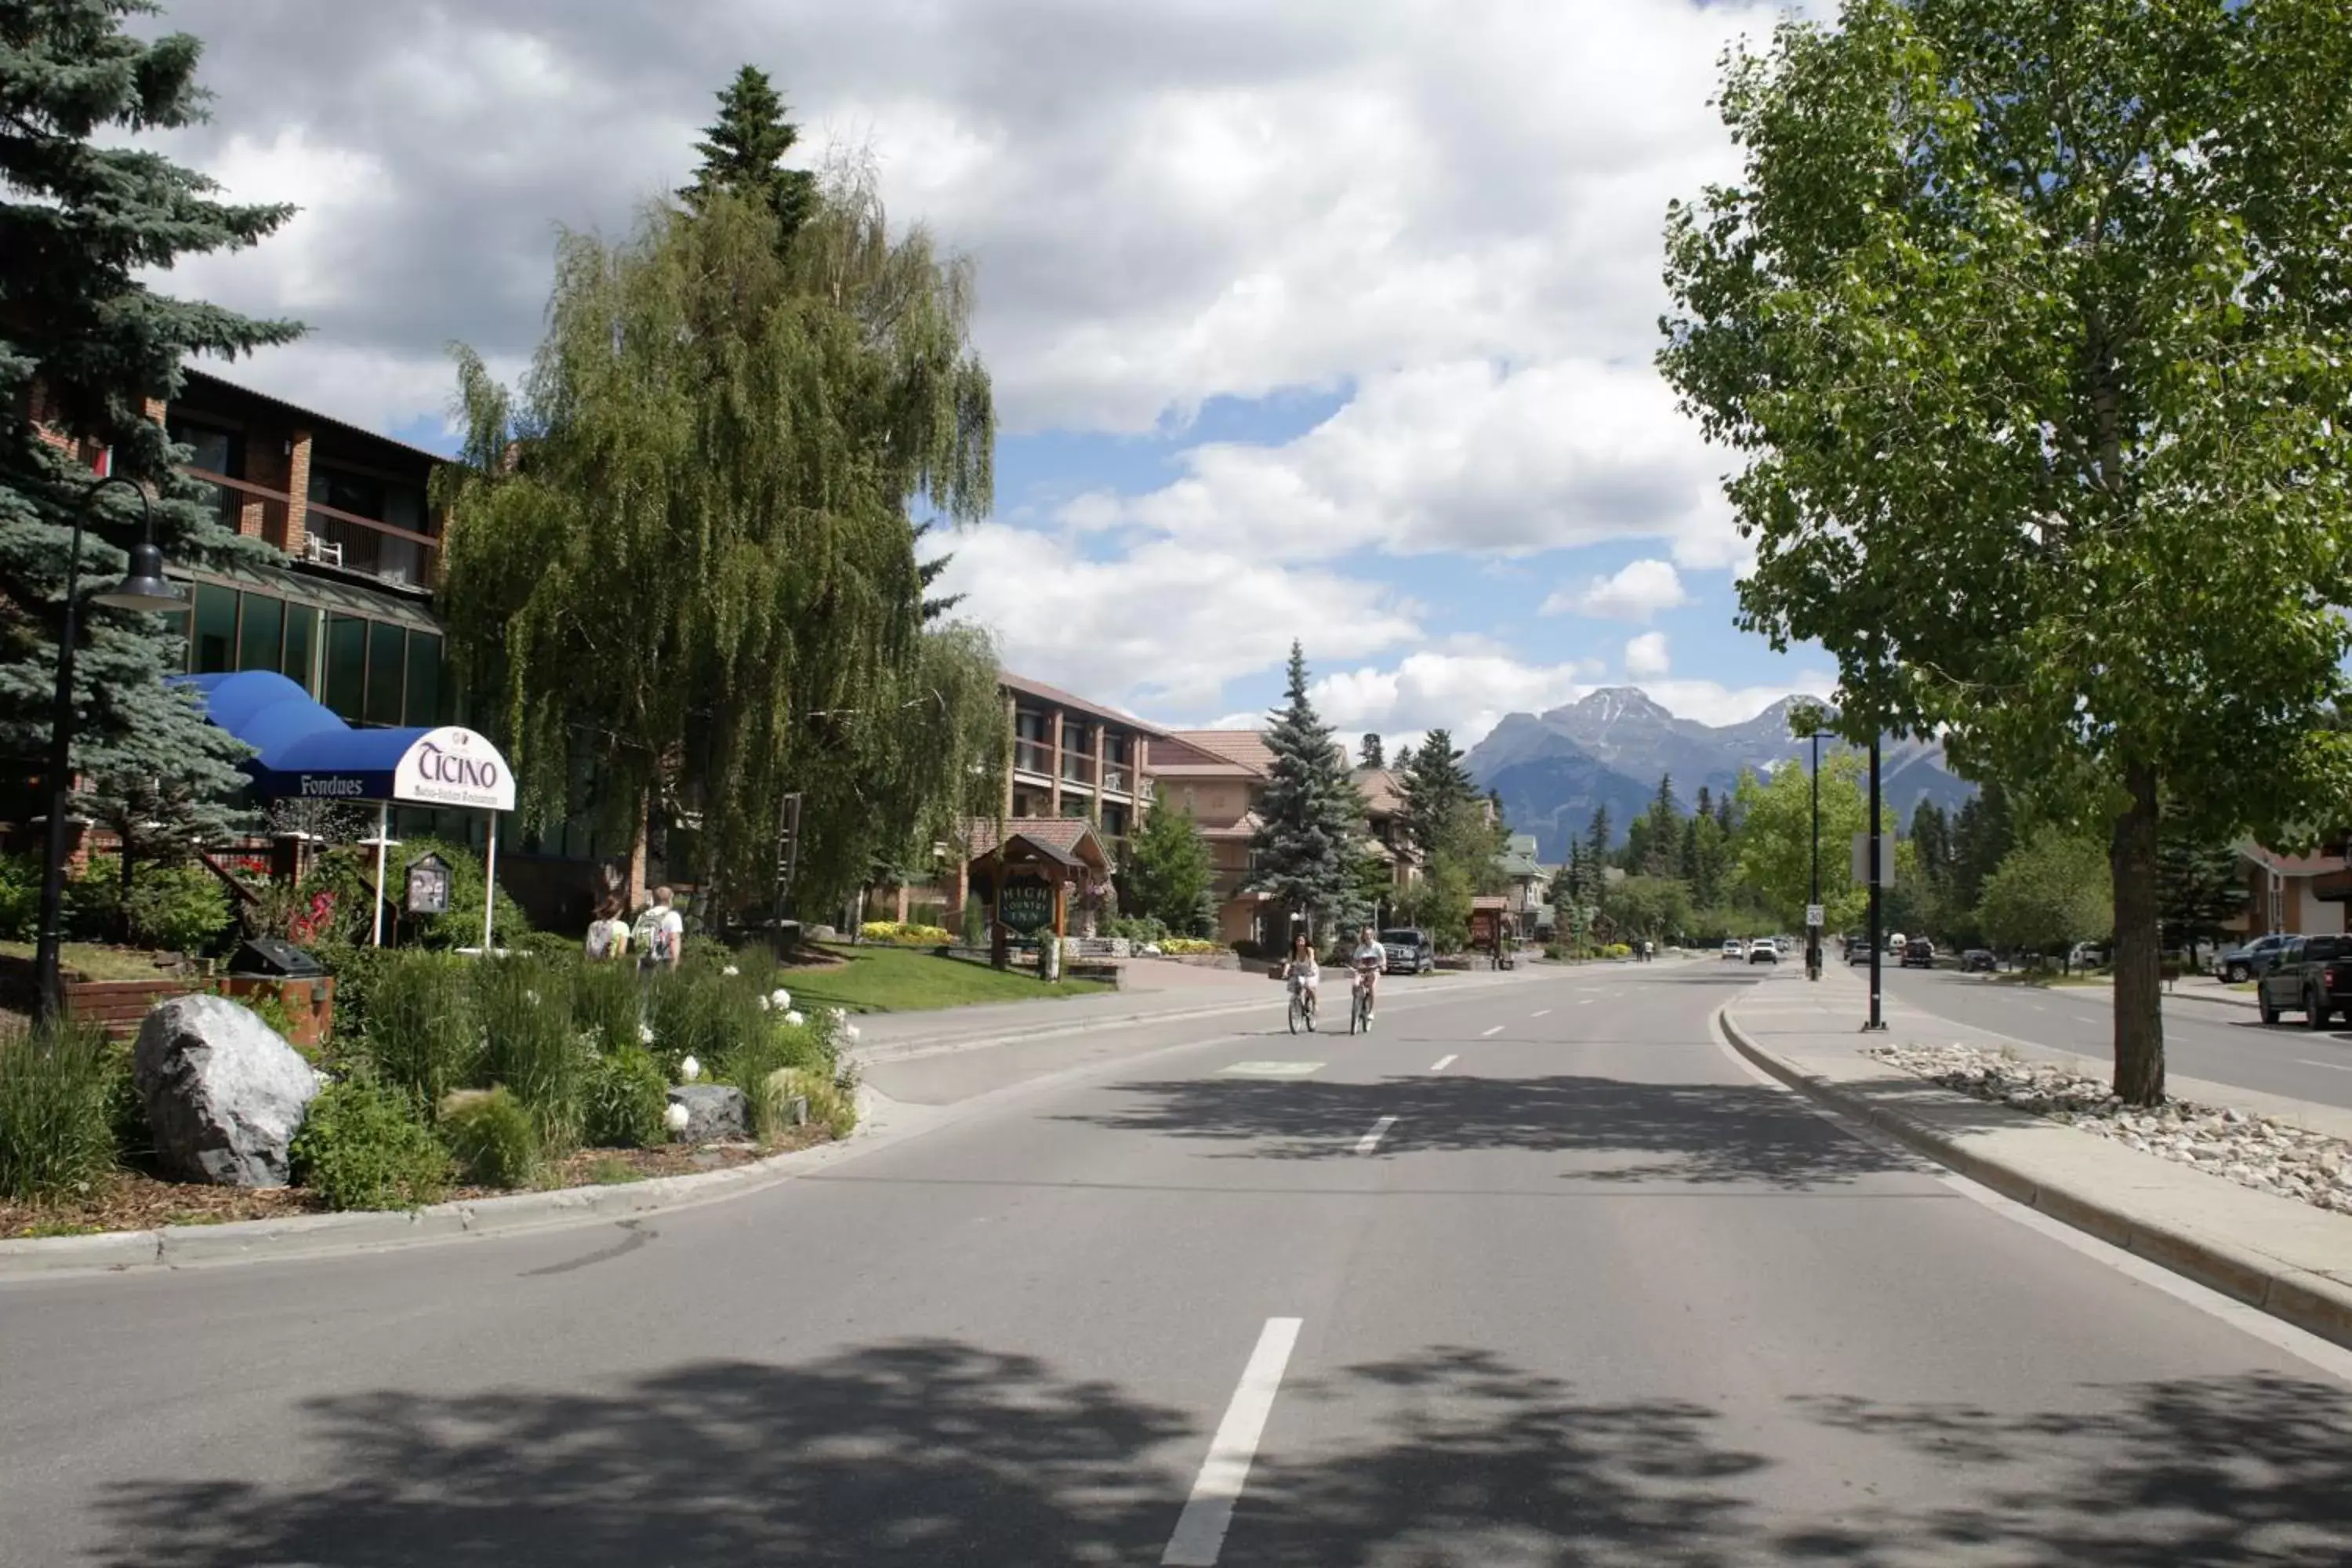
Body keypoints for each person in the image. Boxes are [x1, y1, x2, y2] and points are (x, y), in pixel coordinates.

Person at [633, 886, 685, 971]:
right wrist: (674, 964)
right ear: (670, 899)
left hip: (645, 961)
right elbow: (673, 940)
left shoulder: (643, 916)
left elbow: (637, 940)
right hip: (664, 961)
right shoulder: (673, 916)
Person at [1282, 931, 1320, 1025]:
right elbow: (1289, 963)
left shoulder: (1309, 950)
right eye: (1298, 941)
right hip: (1299, 970)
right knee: (1296, 985)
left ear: (1305, 942)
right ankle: (1297, 1003)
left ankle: (1315, 1004)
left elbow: (1311, 960)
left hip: (1311, 970)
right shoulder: (1293, 951)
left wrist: (1310, 969)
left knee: (1309, 986)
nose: (1300, 943)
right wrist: (1285, 972)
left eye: (1302, 941)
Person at [1349, 924, 1385, 1021]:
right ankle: (1357, 1003)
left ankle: (1371, 1011)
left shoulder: (1378, 947)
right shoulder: (1361, 947)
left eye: (1370, 934)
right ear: (1364, 936)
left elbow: (1383, 959)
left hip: (1374, 971)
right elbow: (1355, 960)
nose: (1368, 936)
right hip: (1362, 971)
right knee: (1355, 985)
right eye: (1366, 934)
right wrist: (1354, 966)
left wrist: (1383, 965)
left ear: (1373, 935)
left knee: (1372, 987)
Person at [583, 898, 630, 962]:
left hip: (592, 964)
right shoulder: (623, 927)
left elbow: (587, 948)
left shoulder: (593, 925)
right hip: (610, 965)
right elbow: (621, 952)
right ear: (619, 911)